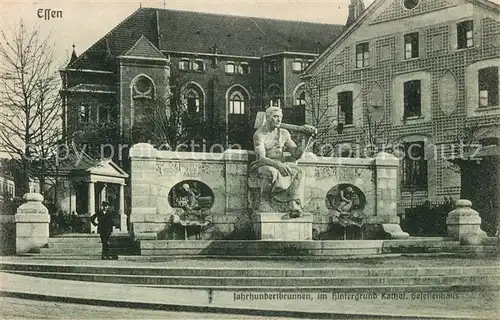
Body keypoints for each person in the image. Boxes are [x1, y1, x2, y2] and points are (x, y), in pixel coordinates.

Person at [250, 106, 315, 218]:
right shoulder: (259, 135)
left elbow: (295, 154)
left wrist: (306, 138)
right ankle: (264, 202)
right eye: (275, 117)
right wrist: (278, 165)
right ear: (268, 117)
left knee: (299, 171)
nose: (279, 120)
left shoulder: (284, 133)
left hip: (280, 162)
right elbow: (261, 158)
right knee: (272, 172)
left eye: (280, 117)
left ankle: (293, 204)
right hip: (263, 164)